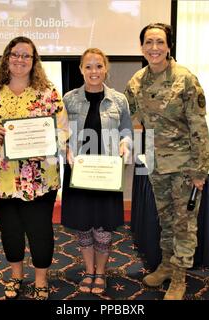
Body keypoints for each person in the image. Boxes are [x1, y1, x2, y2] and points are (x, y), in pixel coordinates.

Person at [0, 36, 69, 300]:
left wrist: (48, 137)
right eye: (15, 54)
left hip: (40, 177)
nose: (20, 60)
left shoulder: (48, 92)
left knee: (39, 230)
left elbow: (63, 130)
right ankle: (16, 276)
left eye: (27, 56)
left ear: (34, 61)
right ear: (7, 57)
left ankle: (41, 280)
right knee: (9, 229)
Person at [124, 23, 209, 300]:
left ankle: (179, 277)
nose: (154, 48)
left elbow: (199, 126)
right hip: (155, 164)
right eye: (148, 42)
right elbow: (124, 115)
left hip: (185, 167)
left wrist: (201, 170)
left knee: (184, 223)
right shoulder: (137, 81)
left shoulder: (185, 79)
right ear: (141, 47)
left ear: (168, 46)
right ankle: (165, 265)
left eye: (159, 42)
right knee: (166, 220)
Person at [61, 48, 132, 294]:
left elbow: (127, 131)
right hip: (79, 173)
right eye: (88, 66)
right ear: (81, 69)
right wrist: (65, 149)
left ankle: (100, 273)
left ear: (106, 69)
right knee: (83, 226)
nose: (94, 71)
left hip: (106, 174)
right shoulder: (69, 99)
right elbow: (61, 133)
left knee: (102, 229)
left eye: (99, 66)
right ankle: (88, 270)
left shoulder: (119, 100)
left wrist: (125, 144)